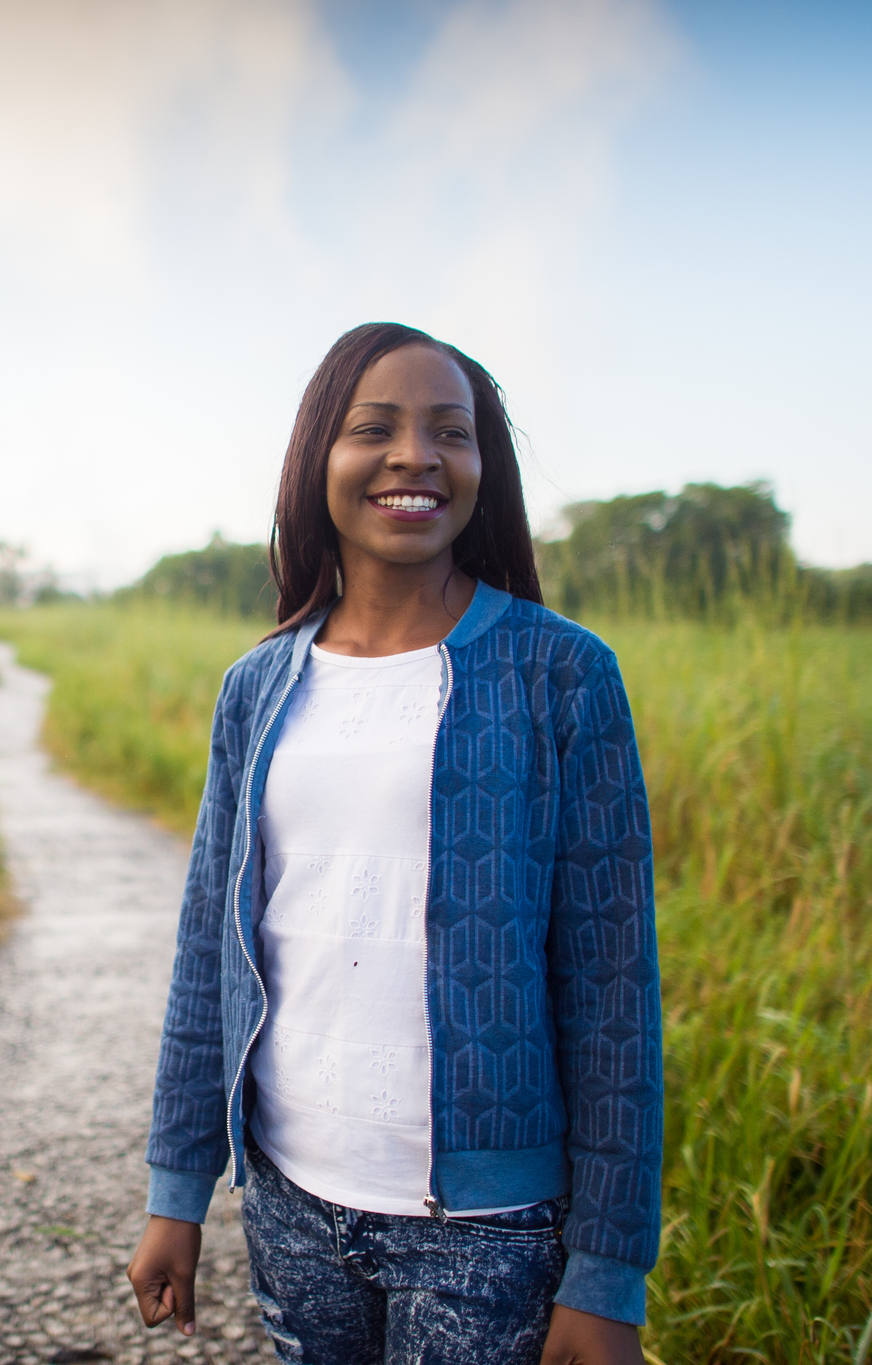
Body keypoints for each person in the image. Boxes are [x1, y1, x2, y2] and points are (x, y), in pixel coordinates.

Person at [125, 323, 663, 1365]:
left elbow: (611, 991)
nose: (414, 454)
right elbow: (208, 952)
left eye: (448, 433)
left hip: (488, 1238)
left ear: (479, 470)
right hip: (288, 1202)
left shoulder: (560, 676)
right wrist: (175, 1191)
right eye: (374, 428)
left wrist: (604, 1275)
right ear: (316, 459)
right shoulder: (257, 688)